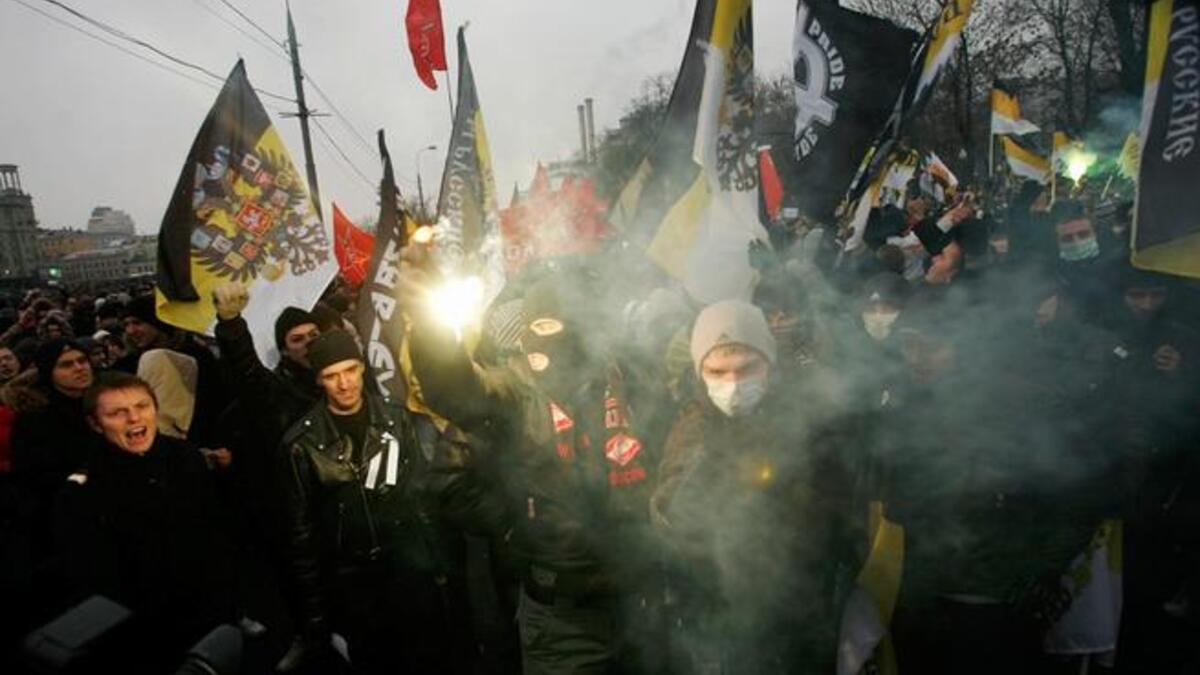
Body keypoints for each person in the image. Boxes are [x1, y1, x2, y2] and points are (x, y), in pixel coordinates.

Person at [651, 299, 851, 673]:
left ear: (770, 365)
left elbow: (834, 522)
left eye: (746, 369)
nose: (733, 384)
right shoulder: (690, 432)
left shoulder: (808, 423)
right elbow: (671, 523)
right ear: (700, 374)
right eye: (718, 371)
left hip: (801, 622)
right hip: (723, 626)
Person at [276, 329, 475, 674]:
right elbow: (301, 535)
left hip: (410, 569)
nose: (344, 383)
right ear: (319, 380)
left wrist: (442, 567)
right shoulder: (302, 444)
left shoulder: (395, 418)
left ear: (362, 368)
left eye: (350, 370)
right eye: (331, 376)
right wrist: (316, 618)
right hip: (354, 584)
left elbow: (421, 496)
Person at [53, 372, 238, 674]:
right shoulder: (81, 493)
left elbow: (218, 531)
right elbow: (93, 580)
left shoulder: (187, 458)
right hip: (146, 640)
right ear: (95, 424)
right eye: (117, 413)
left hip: (211, 618)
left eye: (142, 406)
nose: (134, 418)